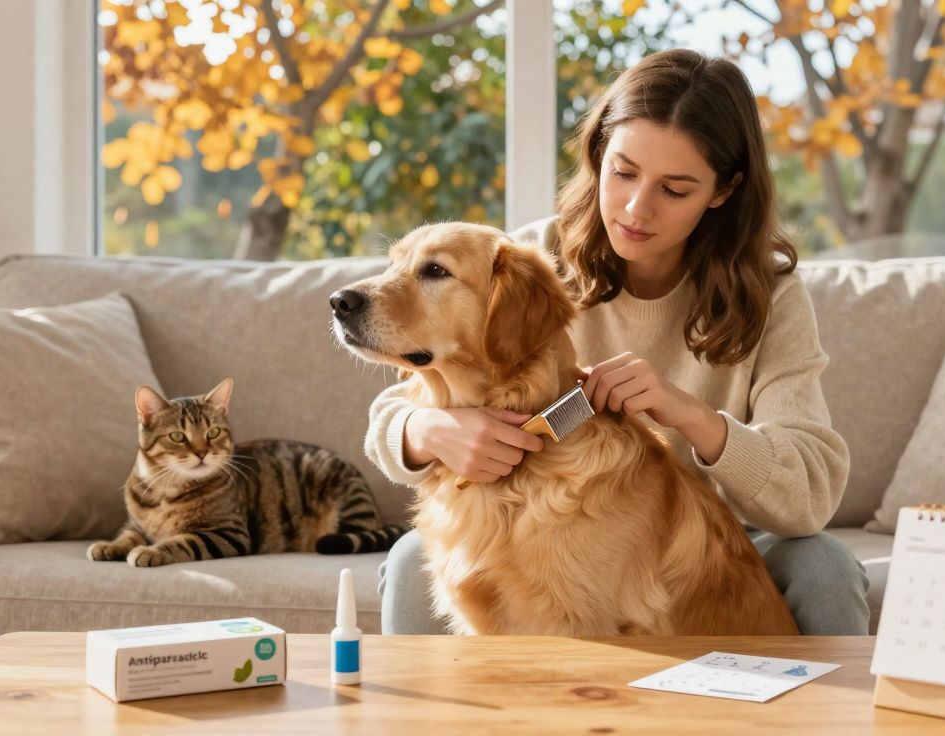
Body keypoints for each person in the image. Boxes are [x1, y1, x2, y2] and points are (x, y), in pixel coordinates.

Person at [363, 48, 869, 635]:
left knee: (826, 566)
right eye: (624, 172)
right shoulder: (531, 262)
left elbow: (808, 494)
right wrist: (426, 432)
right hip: (550, 521)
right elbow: (401, 400)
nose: (636, 208)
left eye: (675, 190)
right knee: (406, 560)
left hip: (716, 541)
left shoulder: (770, 294)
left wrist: (686, 412)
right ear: (599, 154)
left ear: (723, 191)